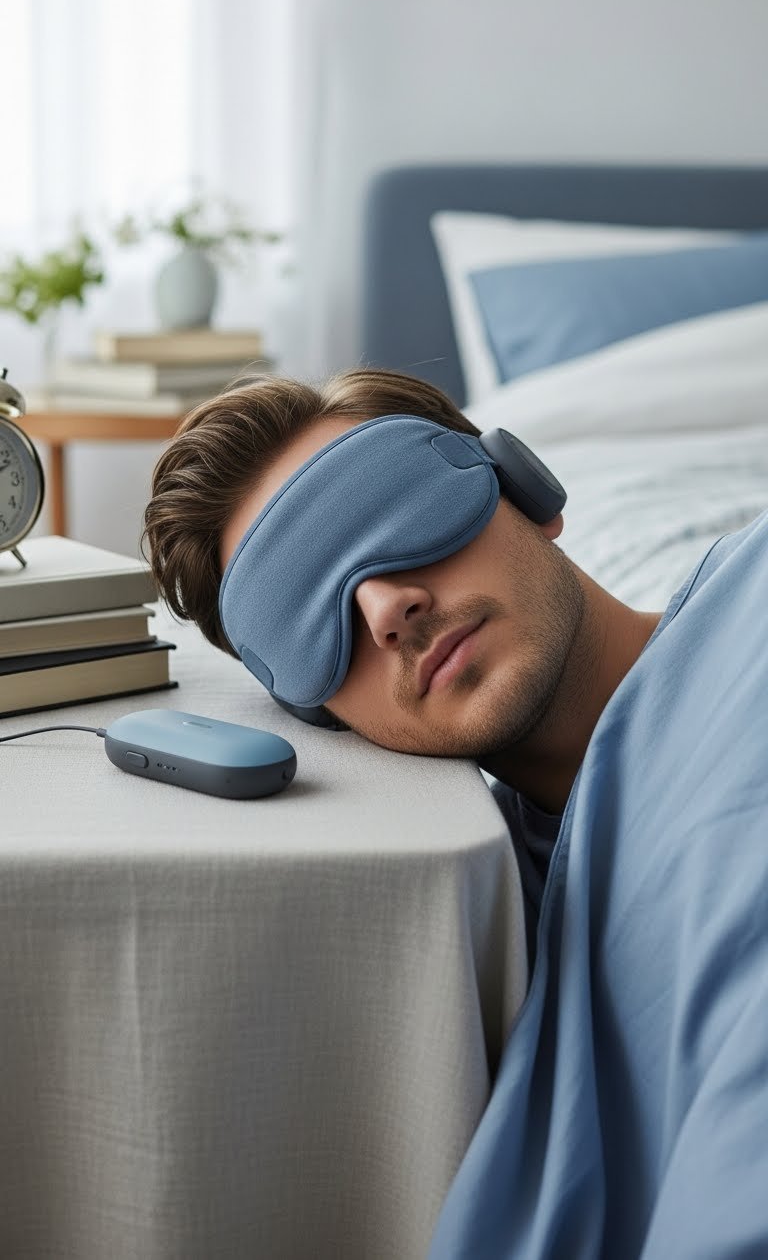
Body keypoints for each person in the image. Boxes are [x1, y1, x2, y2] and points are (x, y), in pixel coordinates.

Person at [143, 367, 768, 1260]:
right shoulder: (502, 909)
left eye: (387, 511)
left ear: (525, 489)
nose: (385, 607)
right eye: (306, 619)